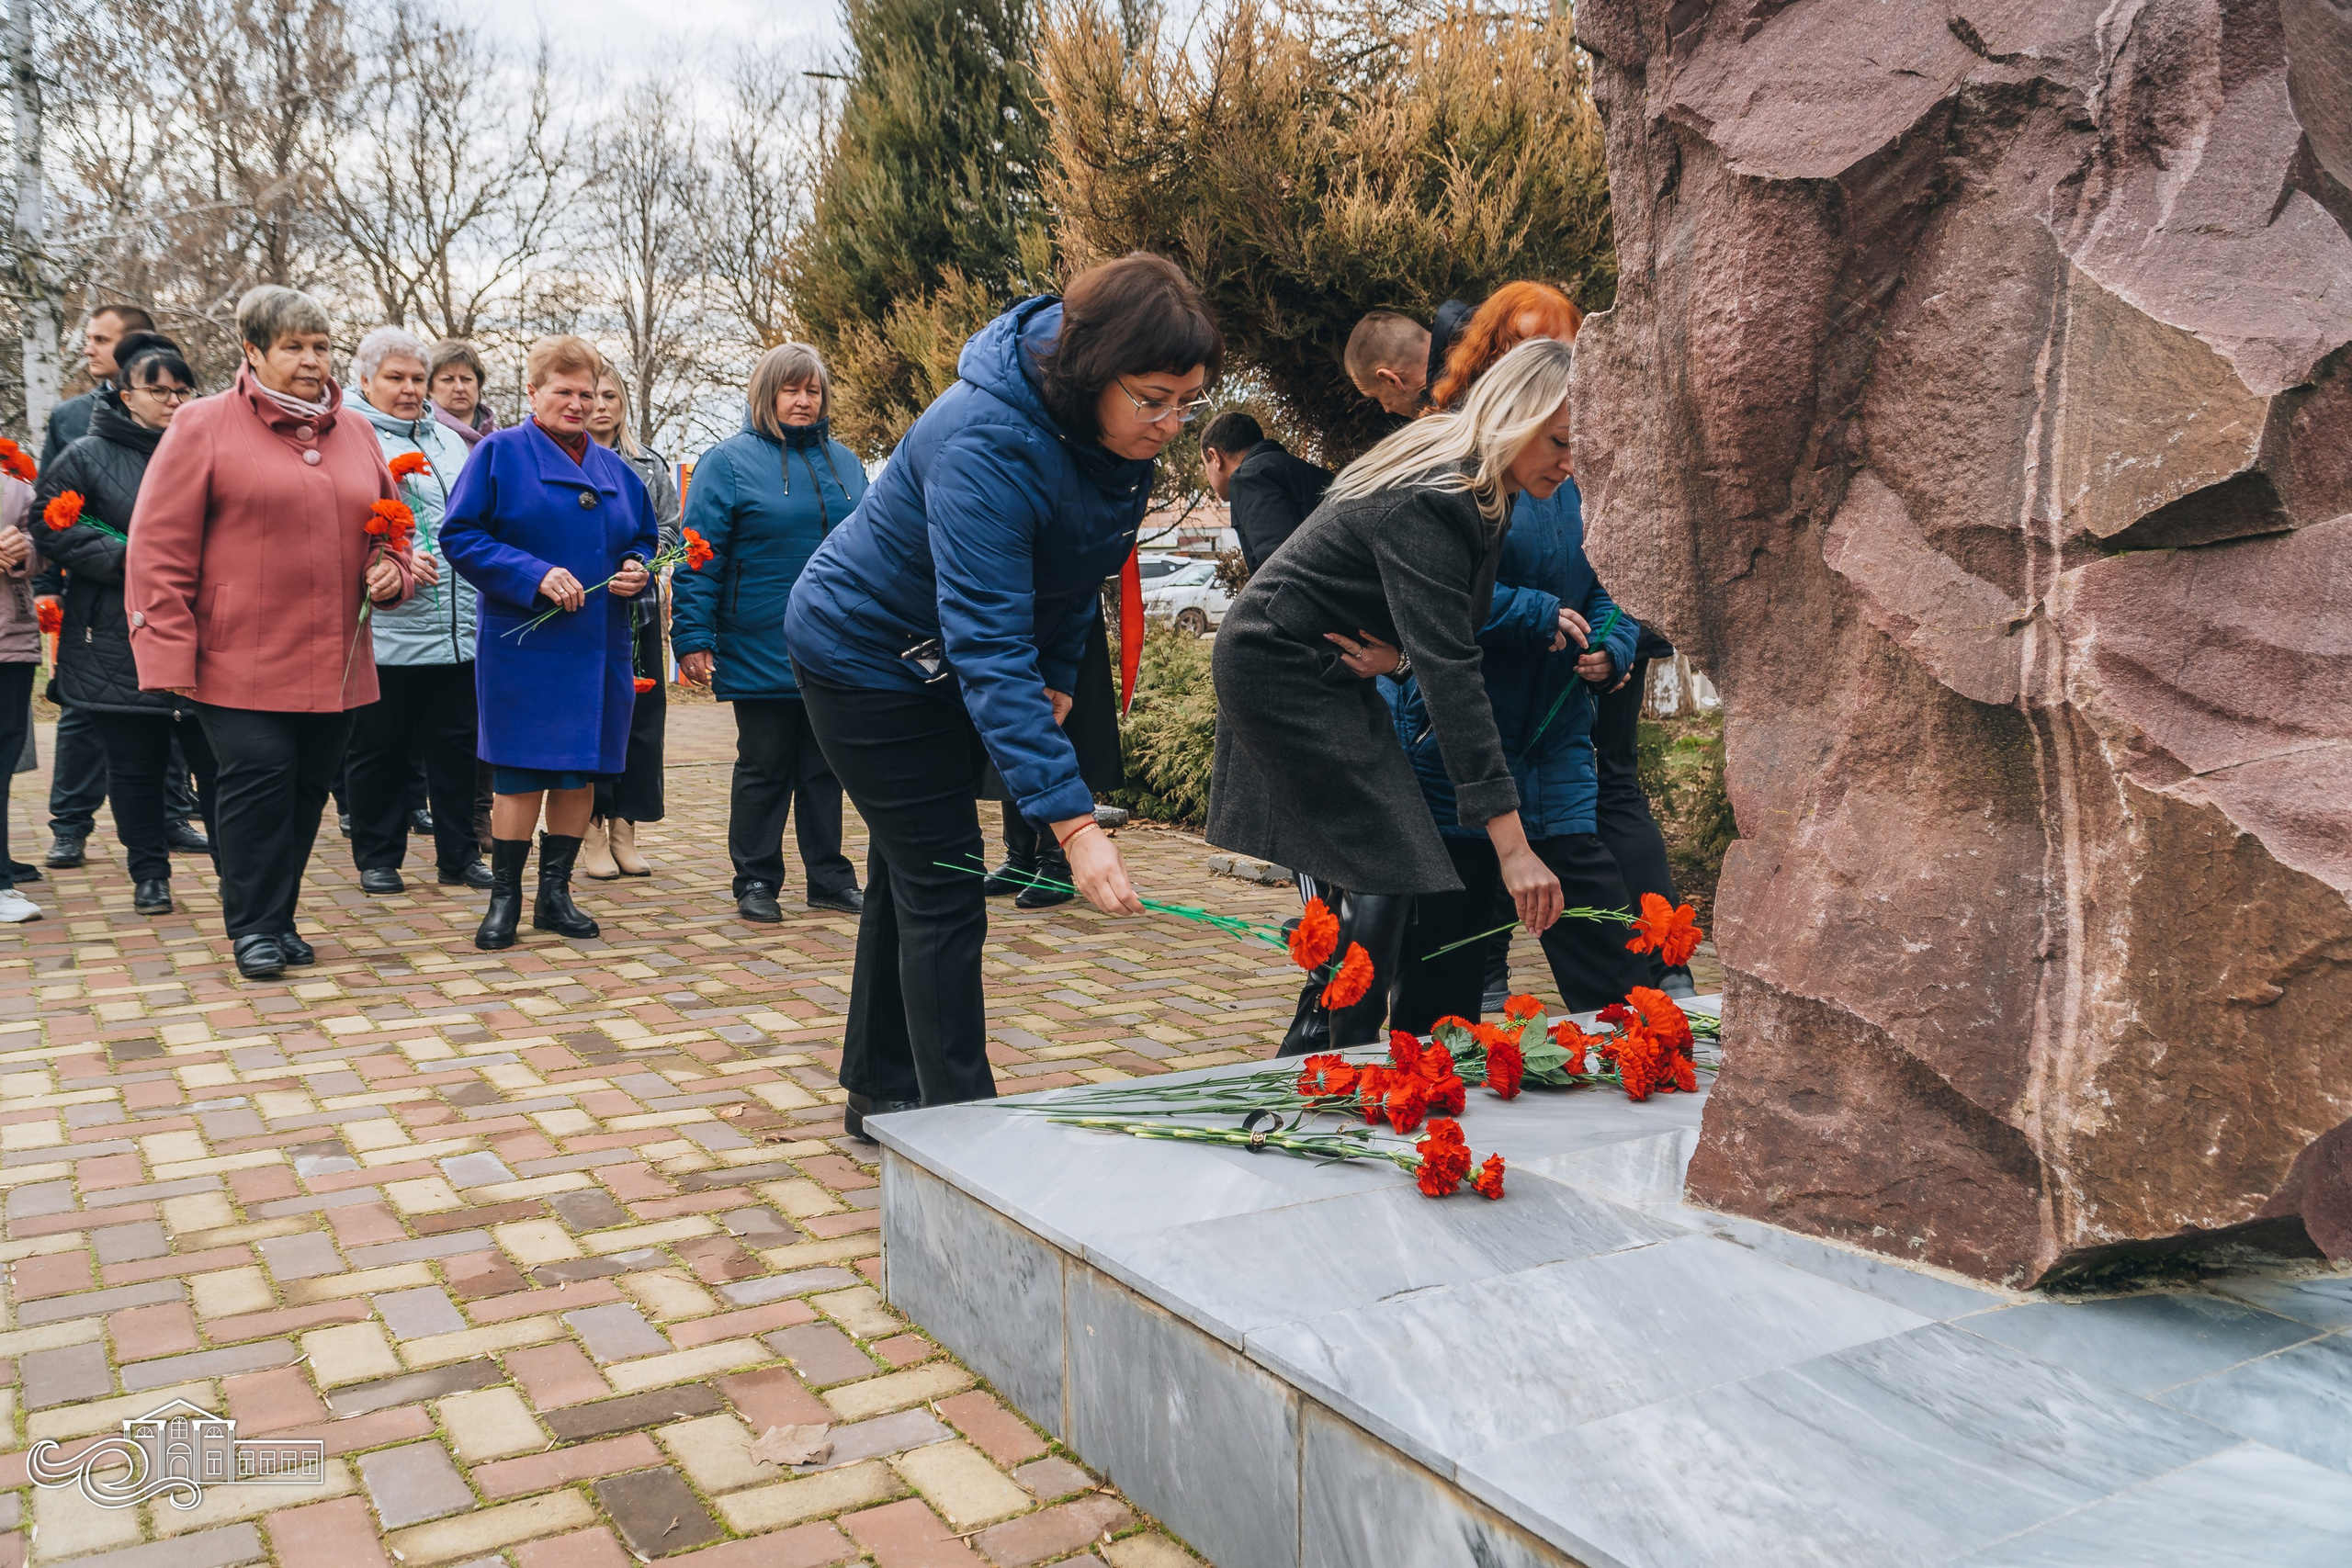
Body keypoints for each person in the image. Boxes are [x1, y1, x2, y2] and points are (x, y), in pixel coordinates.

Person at [785, 252, 1219, 1138]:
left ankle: (881, 1091)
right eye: (1154, 399)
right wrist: (1074, 825)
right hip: (862, 653)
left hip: (939, 655)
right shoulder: (984, 440)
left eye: (1189, 403)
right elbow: (986, 640)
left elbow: (1077, 565)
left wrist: (1057, 674)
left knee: (912, 869)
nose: (1172, 425)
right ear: (1093, 369)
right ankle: (965, 1138)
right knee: (945, 881)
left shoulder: (1112, 436)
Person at [1207, 338, 1581, 1053]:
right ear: (1513, 415)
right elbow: (1453, 672)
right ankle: (1339, 1053)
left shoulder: (1482, 485)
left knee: (1388, 861)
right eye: (1560, 442)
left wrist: (1400, 656)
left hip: (1326, 664)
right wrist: (1513, 848)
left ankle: (1327, 1050)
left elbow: (1440, 628)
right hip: (1280, 667)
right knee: (1387, 858)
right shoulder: (1440, 494)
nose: (1569, 464)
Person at [126, 286, 416, 979]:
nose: (312, 360)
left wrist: (393, 571)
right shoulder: (202, 424)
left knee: (308, 787)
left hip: (336, 655)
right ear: (252, 351)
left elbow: (392, 529)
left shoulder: (357, 432)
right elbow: (158, 547)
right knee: (259, 777)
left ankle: (279, 916)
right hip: (233, 655)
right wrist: (168, 654)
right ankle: (253, 926)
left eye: (321, 347)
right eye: (293, 347)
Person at [1377, 287, 1648, 1027]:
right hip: (1460, 751)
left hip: (1556, 748)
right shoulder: (1454, 462)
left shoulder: (1580, 464)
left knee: (1620, 977)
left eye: (1565, 344)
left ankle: (1648, 1064)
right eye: (1526, 344)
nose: (1548, 360)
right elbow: (1432, 598)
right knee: (1440, 991)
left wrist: (1612, 642)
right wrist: (1532, 614)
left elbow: (1616, 577)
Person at [438, 335, 658, 953]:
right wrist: (532, 574)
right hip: (523, 646)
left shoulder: (617, 470)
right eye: (564, 391)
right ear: (532, 392)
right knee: (519, 773)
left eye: (588, 393)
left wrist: (638, 567)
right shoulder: (498, 454)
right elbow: (460, 535)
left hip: (597, 644)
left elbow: (643, 537)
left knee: (577, 771)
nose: (578, 404)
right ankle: (504, 898)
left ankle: (554, 896)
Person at [673, 343, 866, 921]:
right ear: (766, 394)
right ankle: (755, 879)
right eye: (791, 390)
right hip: (759, 638)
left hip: (836, 643)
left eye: (813, 390)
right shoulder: (726, 463)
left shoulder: (847, 463)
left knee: (825, 766)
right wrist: (692, 637)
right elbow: (698, 556)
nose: (804, 401)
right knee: (765, 764)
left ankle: (829, 878)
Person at [32, 333, 222, 917]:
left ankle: (237, 872)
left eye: (182, 390)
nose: (172, 401)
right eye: (157, 390)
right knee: (135, 765)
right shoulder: (86, 455)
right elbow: (49, 523)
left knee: (218, 765)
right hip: (115, 633)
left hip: (205, 631)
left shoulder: (211, 450)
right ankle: (149, 873)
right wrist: (132, 560)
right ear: (125, 395)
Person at [345, 326, 489, 896]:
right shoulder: (349, 437)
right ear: (365, 381)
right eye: (395, 378)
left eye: (416, 378)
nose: (409, 389)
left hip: (457, 627)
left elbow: (471, 519)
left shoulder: (451, 441)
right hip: (388, 630)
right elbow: (342, 525)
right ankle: (378, 856)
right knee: (379, 750)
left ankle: (459, 855)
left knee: (456, 748)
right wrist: (395, 558)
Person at [582, 367, 681, 881]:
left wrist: (643, 558)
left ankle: (626, 828)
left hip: (637, 610)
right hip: (582, 610)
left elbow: (670, 529)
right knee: (594, 720)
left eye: (611, 396)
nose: (601, 405)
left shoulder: (649, 465)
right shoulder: (565, 461)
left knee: (642, 724)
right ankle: (591, 829)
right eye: (593, 395)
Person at [1200, 410, 1332, 575]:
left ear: (1215, 457)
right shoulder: (1292, 468)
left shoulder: (1250, 478)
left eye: (1204, 464)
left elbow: (1282, 570)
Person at [0, 458, 42, 921]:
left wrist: (24, 549)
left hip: (9, 644)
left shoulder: (15, 489)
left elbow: (46, 546)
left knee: (3, 759)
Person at [1342, 300, 1472, 423]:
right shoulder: (1479, 332)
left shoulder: (1456, 418)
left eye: (1377, 397)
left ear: (1391, 380)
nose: (1386, 409)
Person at [428, 339, 498, 447]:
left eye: (466, 379)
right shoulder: (421, 436)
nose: (459, 388)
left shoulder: (499, 437)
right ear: (429, 387)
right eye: (448, 380)